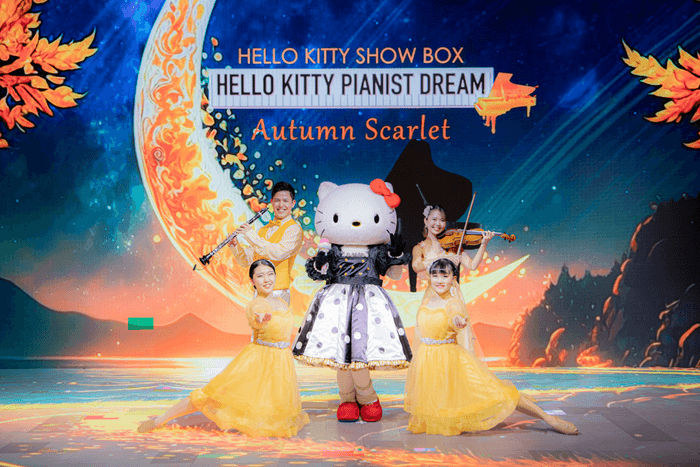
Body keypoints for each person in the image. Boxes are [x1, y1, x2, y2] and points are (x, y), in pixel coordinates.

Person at [404, 258, 579, 436]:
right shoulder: (427, 301)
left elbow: (455, 316)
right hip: (428, 359)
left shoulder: (453, 303)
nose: (439, 280)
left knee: (499, 392)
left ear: (453, 279)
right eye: (435, 275)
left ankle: (548, 418)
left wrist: (458, 321)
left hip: (451, 359)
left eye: (444, 275)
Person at [137, 260, 310, 437]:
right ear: (252, 281)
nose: (266, 279)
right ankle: (159, 420)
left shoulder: (282, 302)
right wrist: (261, 319)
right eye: (260, 276)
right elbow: (257, 316)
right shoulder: (256, 304)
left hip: (281, 361)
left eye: (270, 274)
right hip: (258, 360)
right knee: (210, 396)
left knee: (271, 406)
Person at [411, 204, 489, 354]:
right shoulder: (420, 247)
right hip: (433, 297)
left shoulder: (453, 245)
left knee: (457, 338)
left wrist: (483, 244)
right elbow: (416, 266)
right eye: (434, 219)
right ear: (426, 221)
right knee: (434, 336)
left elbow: (472, 266)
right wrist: (440, 258)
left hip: (453, 296)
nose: (438, 224)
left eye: (442, 220)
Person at [229, 181, 302, 304]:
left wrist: (251, 235)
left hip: (278, 293)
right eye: (277, 200)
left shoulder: (294, 229)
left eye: (285, 201)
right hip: (258, 292)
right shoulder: (262, 230)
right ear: (272, 202)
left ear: (293, 203)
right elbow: (246, 261)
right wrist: (235, 246)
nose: (281, 205)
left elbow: (278, 253)